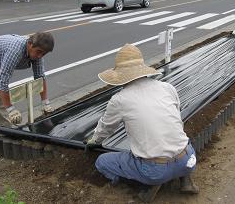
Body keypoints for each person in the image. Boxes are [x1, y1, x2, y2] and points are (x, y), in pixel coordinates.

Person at [85, 44, 199, 202]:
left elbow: (106, 128)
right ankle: (185, 179)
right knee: (178, 145)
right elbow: (176, 120)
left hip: (155, 170)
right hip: (188, 159)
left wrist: (93, 141)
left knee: (102, 162)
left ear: (120, 75)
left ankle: (148, 185)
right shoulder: (167, 87)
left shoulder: (120, 100)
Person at [0, 32, 54, 127]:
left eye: (43, 54)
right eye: (39, 51)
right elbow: (3, 80)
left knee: (3, 106)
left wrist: (45, 103)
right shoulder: (15, 50)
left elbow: (40, 77)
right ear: (30, 44)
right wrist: (11, 109)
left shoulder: (37, 54)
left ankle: (5, 137)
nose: (40, 56)